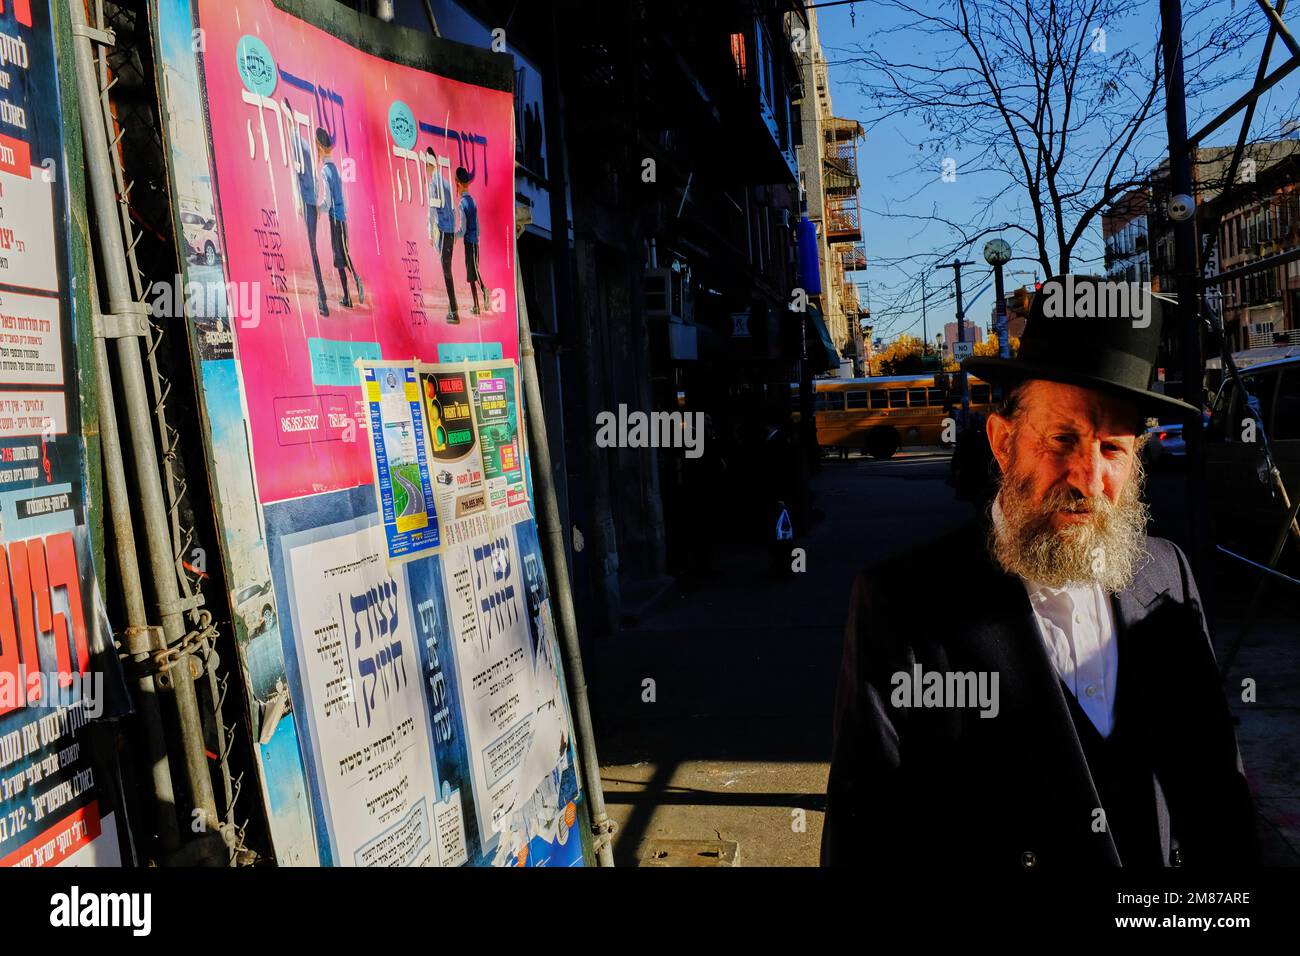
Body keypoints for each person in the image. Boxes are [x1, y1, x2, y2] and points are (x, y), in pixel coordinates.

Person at [822, 274, 1257, 867]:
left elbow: (1218, 800)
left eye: (1112, 450)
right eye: (1062, 438)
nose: (1086, 478)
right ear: (1002, 442)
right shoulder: (902, 604)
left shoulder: (1166, 574)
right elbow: (867, 837)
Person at [284, 99, 327, 316]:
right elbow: (310, 177)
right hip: (310, 203)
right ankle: (321, 296)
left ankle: (322, 298)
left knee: (312, 250)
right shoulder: (304, 144)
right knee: (312, 249)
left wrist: (302, 202)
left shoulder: (297, 142)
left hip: (308, 203)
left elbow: (298, 174)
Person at [317, 128, 363, 309]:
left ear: (319, 147)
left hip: (336, 219)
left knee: (342, 256)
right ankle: (347, 298)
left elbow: (327, 202)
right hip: (339, 219)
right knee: (339, 259)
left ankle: (357, 280)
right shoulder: (334, 169)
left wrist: (317, 209)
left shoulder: (325, 172)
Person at [427, 147, 459, 324]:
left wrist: (430, 232)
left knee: (446, 271)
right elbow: (452, 210)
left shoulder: (434, 184)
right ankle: (451, 306)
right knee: (447, 269)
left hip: (444, 232)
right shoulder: (445, 182)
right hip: (448, 232)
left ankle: (454, 310)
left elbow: (432, 211)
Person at [455, 166, 489, 315]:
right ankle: (476, 307)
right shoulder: (473, 201)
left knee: (473, 271)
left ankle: (484, 289)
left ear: (458, 183)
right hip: (474, 241)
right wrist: (477, 235)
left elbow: (462, 229)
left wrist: (454, 236)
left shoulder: (462, 203)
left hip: (469, 242)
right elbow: (478, 223)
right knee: (471, 275)